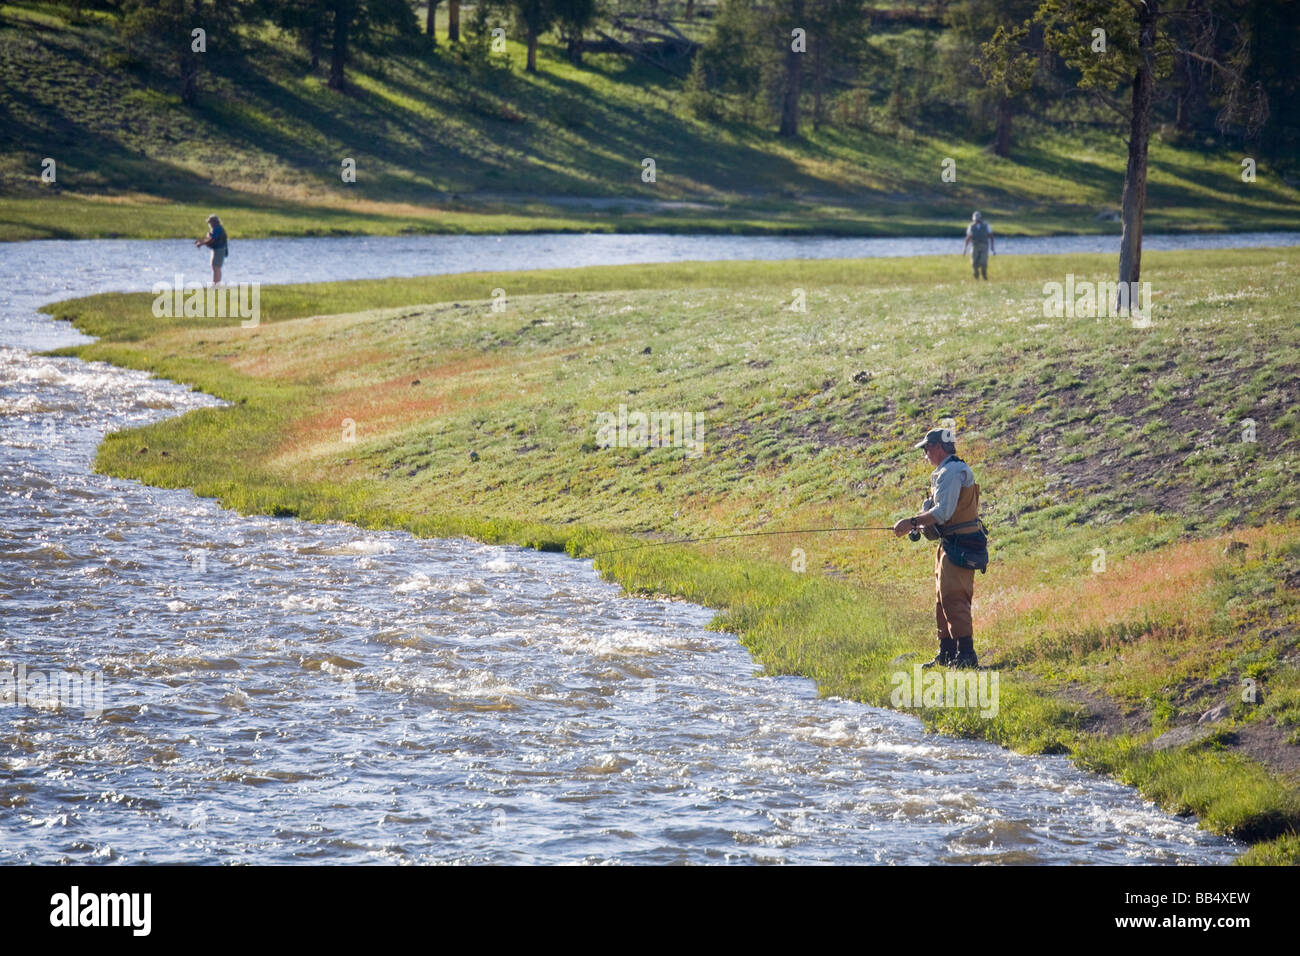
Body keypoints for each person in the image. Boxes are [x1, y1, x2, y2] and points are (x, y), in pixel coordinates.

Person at [893, 428, 984, 669]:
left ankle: (966, 656)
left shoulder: (952, 472)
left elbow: (943, 513)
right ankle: (946, 653)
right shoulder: (945, 472)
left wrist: (910, 522)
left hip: (960, 545)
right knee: (941, 599)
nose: (925, 454)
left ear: (938, 447)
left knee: (955, 598)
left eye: (926, 448)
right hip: (948, 544)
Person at [195, 214, 228, 285]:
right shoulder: (216, 229)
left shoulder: (217, 229)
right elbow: (209, 239)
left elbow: (212, 240)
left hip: (219, 250)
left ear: (214, 222)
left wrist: (201, 243)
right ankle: (215, 283)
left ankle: (216, 284)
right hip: (216, 250)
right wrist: (201, 241)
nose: (209, 224)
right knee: (214, 266)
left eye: (210, 222)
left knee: (216, 267)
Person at [962, 211, 994, 280]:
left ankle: (984, 276)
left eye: (978, 219)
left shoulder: (986, 226)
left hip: (984, 246)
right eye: (975, 219)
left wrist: (992, 247)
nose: (977, 220)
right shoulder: (971, 226)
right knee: (974, 263)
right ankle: (976, 277)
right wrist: (965, 249)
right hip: (974, 246)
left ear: (980, 218)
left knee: (983, 263)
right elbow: (968, 238)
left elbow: (991, 236)